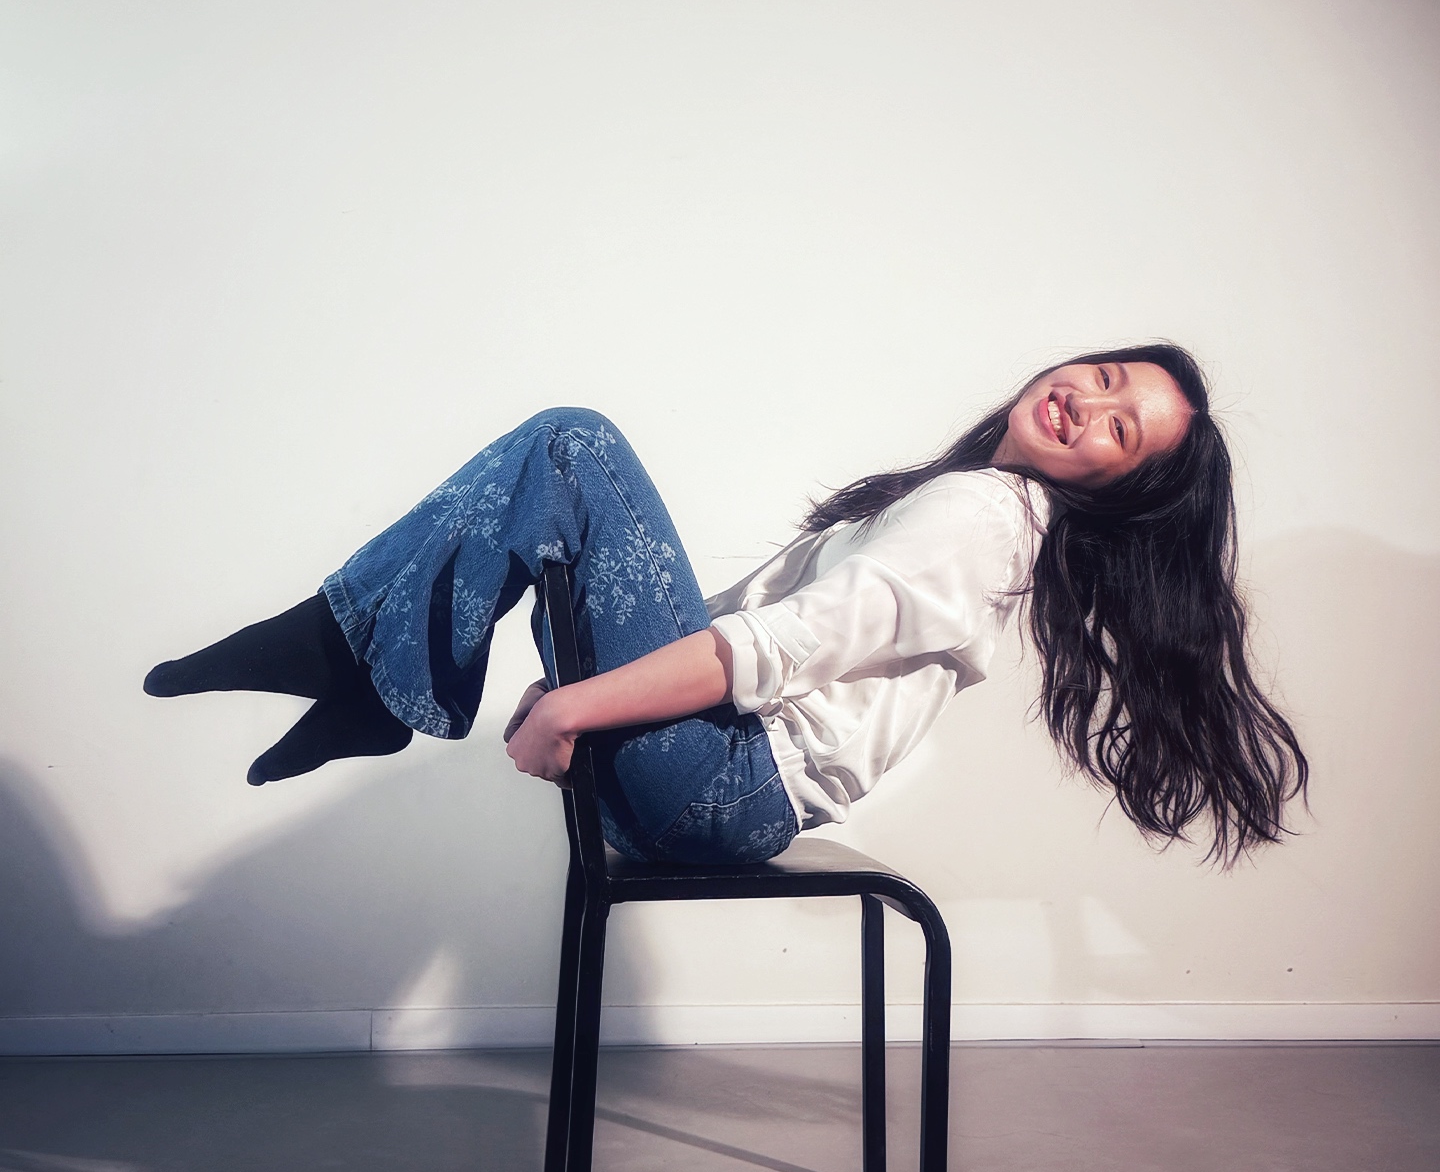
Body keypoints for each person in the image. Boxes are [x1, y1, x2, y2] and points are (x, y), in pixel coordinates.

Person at [144, 345, 1306, 867]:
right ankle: (364, 671)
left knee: (575, 445)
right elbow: (731, 625)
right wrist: (584, 682)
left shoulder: (989, 518)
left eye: (1118, 429)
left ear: (1118, 489)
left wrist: (576, 708)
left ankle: (353, 660)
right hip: (717, 788)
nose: (1086, 403)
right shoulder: (976, 509)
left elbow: (770, 653)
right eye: (1103, 377)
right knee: (562, 465)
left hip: (725, 784)